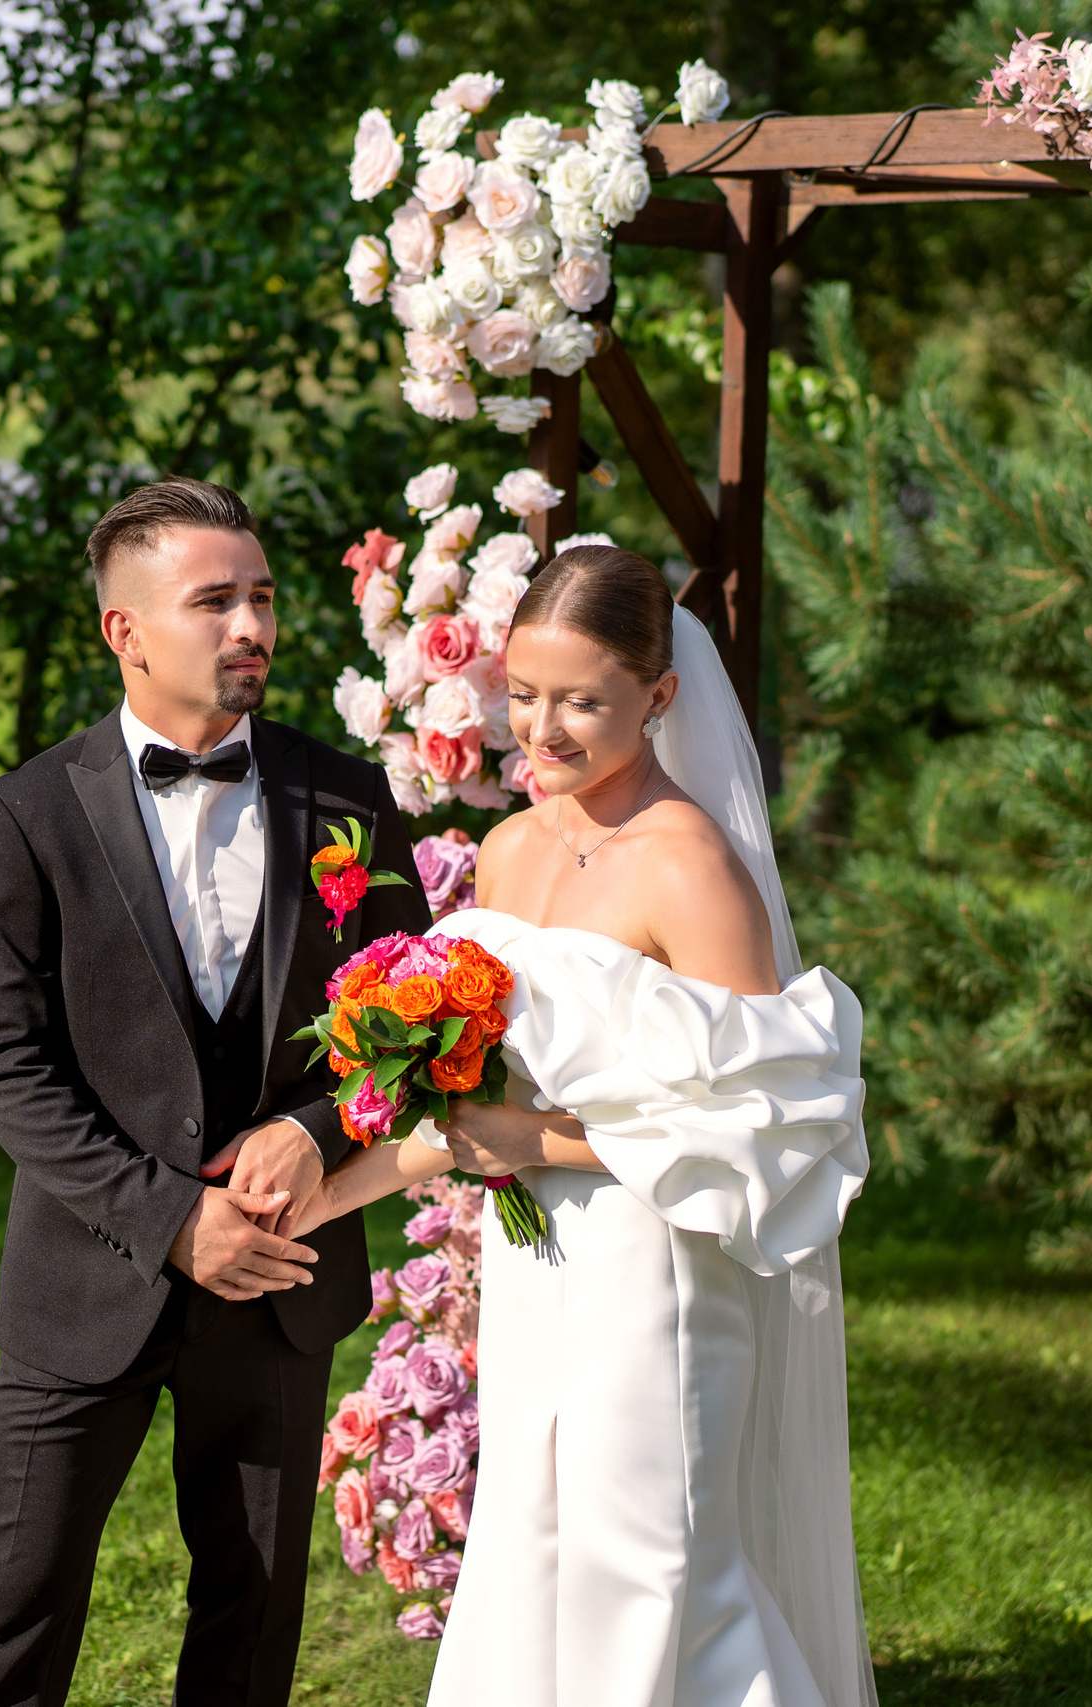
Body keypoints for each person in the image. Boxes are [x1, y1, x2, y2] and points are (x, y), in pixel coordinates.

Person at [291, 545, 879, 1707]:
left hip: (656, 1261)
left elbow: (766, 1123)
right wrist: (325, 1192)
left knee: (652, 1556)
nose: (540, 730)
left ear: (659, 698)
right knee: (534, 1536)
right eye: (521, 695)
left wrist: (539, 1147)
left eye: (580, 701)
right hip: (531, 1258)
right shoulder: (510, 853)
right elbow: (467, 1098)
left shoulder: (692, 868)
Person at [0, 477, 430, 1707]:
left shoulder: (346, 798)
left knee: (254, 1610)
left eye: (260, 598)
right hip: (85, 1284)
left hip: (284, 1276)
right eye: (213, 600)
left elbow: (409, 1025)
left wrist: (315, 1129)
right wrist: (171, 1220)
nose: (251, 626)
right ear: (126, 630)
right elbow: (5, 1067)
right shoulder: (27, 815)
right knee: (22, 1604)